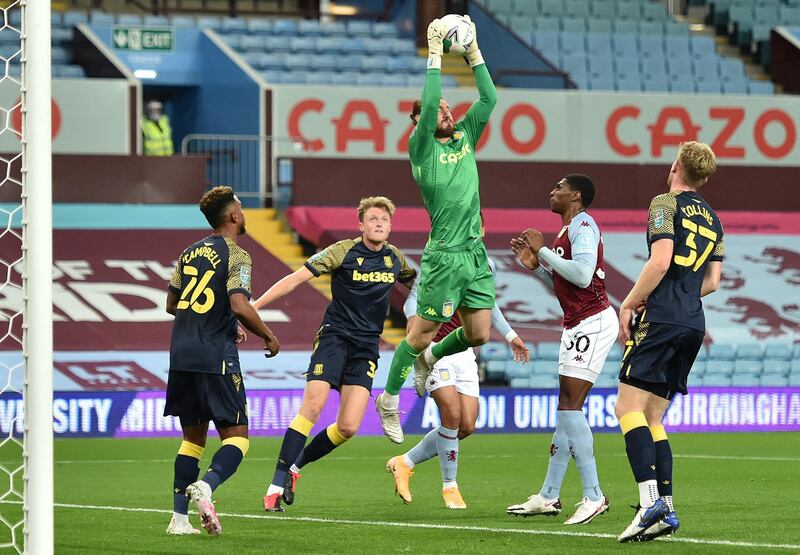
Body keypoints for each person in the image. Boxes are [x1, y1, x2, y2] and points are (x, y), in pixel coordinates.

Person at [375, 15, 497, 445]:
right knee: (418, 331)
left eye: (447, 107)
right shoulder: (421, 148)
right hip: (444, 255)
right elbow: (428, 106)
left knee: (479, 333)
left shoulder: (464, 135)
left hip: (475, 253)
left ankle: (429, 358)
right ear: (420, 122)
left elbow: (489, 97)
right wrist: (433, 54)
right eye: (437, 109)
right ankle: (389, 400)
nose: (445, 111)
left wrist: (473, 51)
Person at [254, 196, 416, 512]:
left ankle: (294, 469)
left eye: (384, 219)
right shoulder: (343, 251)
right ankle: (274, 487)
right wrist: (255, 307)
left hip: (367, 347)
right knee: (312, 407)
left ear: (390, 226)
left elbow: (418, 280)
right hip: (334, 339)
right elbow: (296, 278)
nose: (379, 224)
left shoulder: (396, 259)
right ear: (361, 225)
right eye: (372, 219)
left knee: (348, 427)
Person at [614, 141, 723, 542]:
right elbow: (712, 281)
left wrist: (629, 303)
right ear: (705, 177)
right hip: (693, 322)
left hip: (660, 318)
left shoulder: (664, 203)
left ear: (676, 165)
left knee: (626, 408)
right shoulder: (714, 219)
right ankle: (666, 507)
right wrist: (684, 299)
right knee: (654, 418)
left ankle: (648, 504)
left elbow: (660, 261)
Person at [386, 216, 529, 509]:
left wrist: (510, 334)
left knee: (466, 426)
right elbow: (413, 295)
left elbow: (486, 305)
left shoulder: (485, 264)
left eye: (476, 225)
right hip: (435, 347)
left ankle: (404, 462)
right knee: (450, 416)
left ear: (483, 230)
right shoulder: (441, 256)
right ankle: (450, 488)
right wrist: (415, 327)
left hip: (464, 350)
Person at [164, 186, 280, 536]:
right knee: (237, 438)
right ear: (233, 216)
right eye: (242, 208)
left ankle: (179, 520)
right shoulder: (237, 255)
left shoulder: (189, 252)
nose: (243, 213)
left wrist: (221, 321)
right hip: (215, 356)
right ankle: (208, 486)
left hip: (181, 354)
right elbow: (239, 304)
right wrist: (267, 335)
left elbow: (171, 304)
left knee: (192, 440)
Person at [505, 175, 616, 525]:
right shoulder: (566, 231)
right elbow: (567, 283)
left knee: (570, 406)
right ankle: (549, 495)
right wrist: (538, 267)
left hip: (593, 321)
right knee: (566, 411)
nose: (552, 191)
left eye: (559, 187)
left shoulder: (583, 226)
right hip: (577, 323)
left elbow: (583, 277)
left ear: (576, 195)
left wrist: (542, 251)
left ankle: (594, 495)